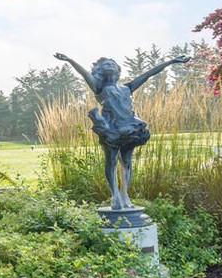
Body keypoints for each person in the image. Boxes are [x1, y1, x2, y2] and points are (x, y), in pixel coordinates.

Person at [54, 51, 189, 210]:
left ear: (118, 71)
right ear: (98, 71)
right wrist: (70, 59)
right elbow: (84, 74)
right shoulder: (99, 87)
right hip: (110, 128)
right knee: (111, 161)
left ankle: (125, 194)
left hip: (129, 127)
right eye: (105, 64)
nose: (109, 65)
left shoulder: (127, 88)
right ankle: (115, 196)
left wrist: (171, 61)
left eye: (112, 63)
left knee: (127, 162)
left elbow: (148, 75)